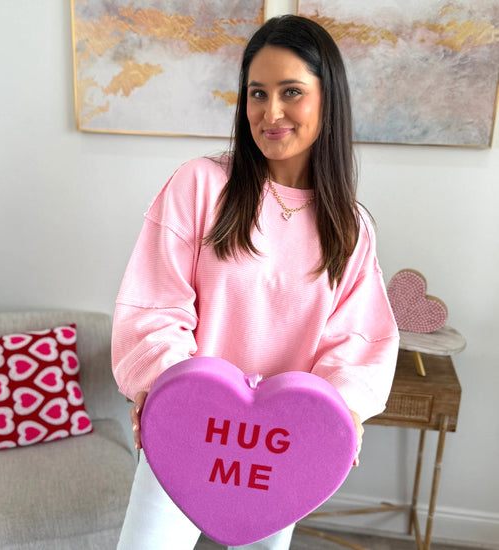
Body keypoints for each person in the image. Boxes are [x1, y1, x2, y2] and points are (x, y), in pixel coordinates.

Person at [112, 14, 399, 550]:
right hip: (190, 432)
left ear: (328, 99)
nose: (271, 113)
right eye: (257, 93)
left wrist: (341, 413)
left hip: (278, 447)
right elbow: (156, 305)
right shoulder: (201, 185)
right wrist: (166, 390)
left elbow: (356, 340)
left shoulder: (351, 226)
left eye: (291, 92)